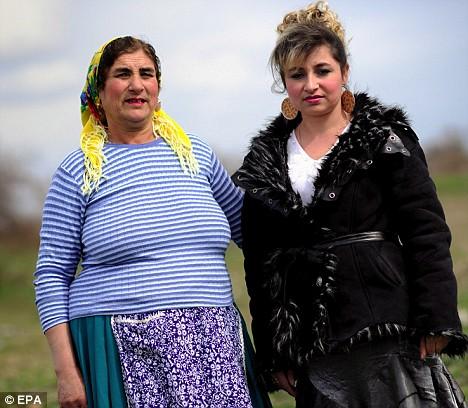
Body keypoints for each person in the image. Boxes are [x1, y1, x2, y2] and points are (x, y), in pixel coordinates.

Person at [233, 2, 468, 407]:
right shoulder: (264, 162)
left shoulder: (385, 139)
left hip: (387, 322)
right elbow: (259, 264)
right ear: (284, 85)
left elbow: (426, 230)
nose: (311, 84)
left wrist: (437, 316)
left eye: (322, 71)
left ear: (344, 73)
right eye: (297, 75)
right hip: (312, 338)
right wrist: (275, 351)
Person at [34, 36, 271, 408]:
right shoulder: (78, 170)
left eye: (146, 73)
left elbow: (257, 238)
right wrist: (66, 373)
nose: (136, 84)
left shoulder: (197, 156)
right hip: (116, 344)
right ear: (99, 89)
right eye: (122, 74)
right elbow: (50, 275)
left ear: (158, 88)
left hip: (212, 343)